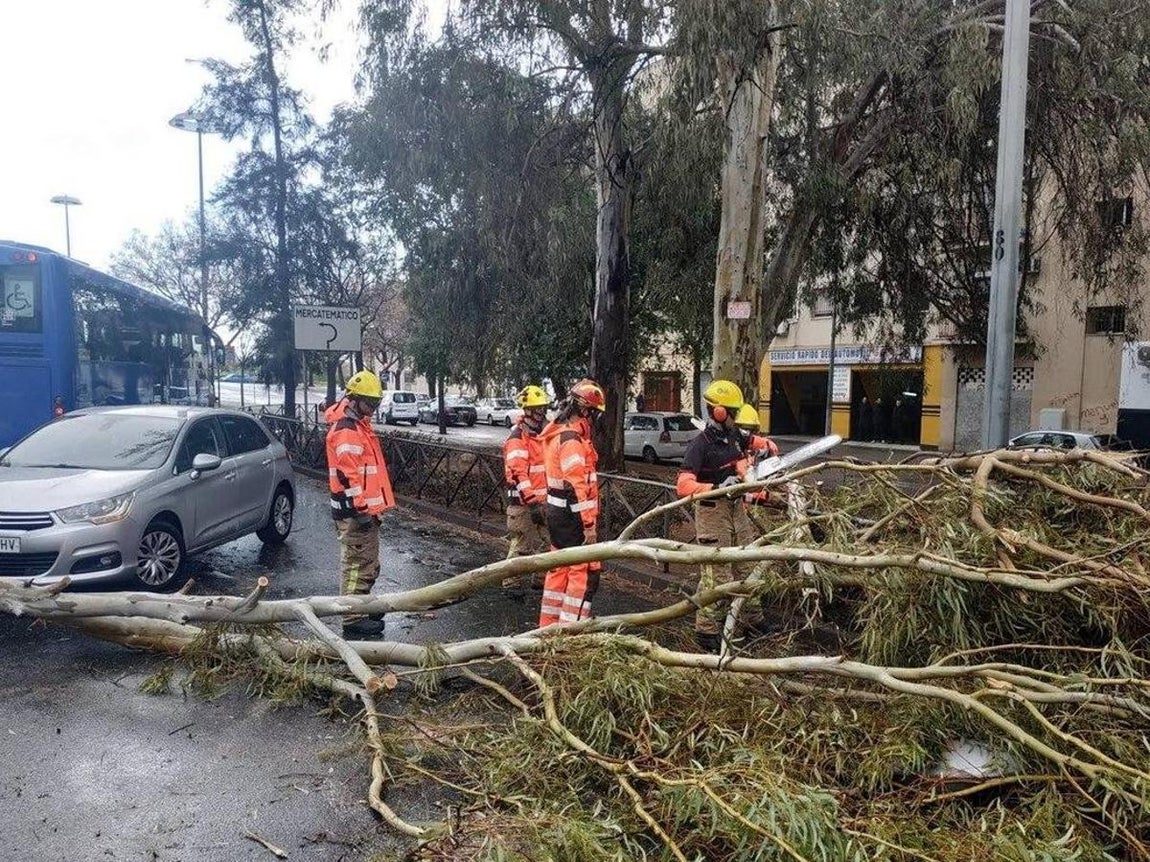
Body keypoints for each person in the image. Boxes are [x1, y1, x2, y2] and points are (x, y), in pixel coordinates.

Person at [676, 380, 763, 653]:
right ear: (719, 412)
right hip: (712, 511)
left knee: (748, 565)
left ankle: (753, 620)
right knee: (718, 573)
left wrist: (752, 469)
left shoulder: (733, 436)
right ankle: (708, 631)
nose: (736, 418)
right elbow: (683, 486)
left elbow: (743, 453)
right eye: (733, 413)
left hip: (736, 509)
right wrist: (714, 488)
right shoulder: (700, 445)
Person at [324, 370, 396, 638]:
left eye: (376, 404)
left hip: (362, 510)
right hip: (355, 512)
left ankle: (361, 604)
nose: (373, 410)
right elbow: (349, 474)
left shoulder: (359, 426)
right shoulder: (347, 430)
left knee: (367, 563)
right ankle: (352, 618)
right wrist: (361, 509)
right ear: (353, 399)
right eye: (369, 404)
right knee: (356, 564)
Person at [538, 378, 606, 627]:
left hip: (557, 512)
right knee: (584, 573)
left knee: (559, 569)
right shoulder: (571, 440)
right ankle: (571, 630)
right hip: (573, 516)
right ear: (585, 411)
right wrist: (588, 525)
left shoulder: (558, 434)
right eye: (594, 414)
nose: (594, 420)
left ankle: (548, 628)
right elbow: (576, 487)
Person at [501, 384, 551, 590]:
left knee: (550, 544)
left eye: (543, 408)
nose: (541, 413)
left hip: (544, 502)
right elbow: (519, 473)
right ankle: (511, 584)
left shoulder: (543, 435)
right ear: (527, 410)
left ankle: (540, 580)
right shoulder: (517, 438)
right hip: (523, 505)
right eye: (537, 409)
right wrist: (532, 503)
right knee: (522, 547)